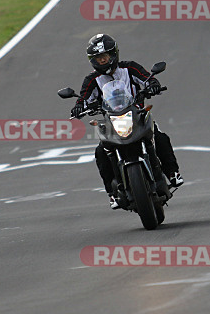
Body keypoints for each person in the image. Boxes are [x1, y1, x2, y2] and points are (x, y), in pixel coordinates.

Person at [71, 34, 183, 209]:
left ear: (113, 54)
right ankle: (113, 193)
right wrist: (78, 107)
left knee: (160, 137)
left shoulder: (130, 68)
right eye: (98, 59)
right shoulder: (92, 80)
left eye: (105, 57)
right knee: (101, 152)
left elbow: (147, 78)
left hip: (137, 114)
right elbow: (83, 98)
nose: (102, 61)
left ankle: (172, 173)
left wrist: (152, 84)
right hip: (111, 121)